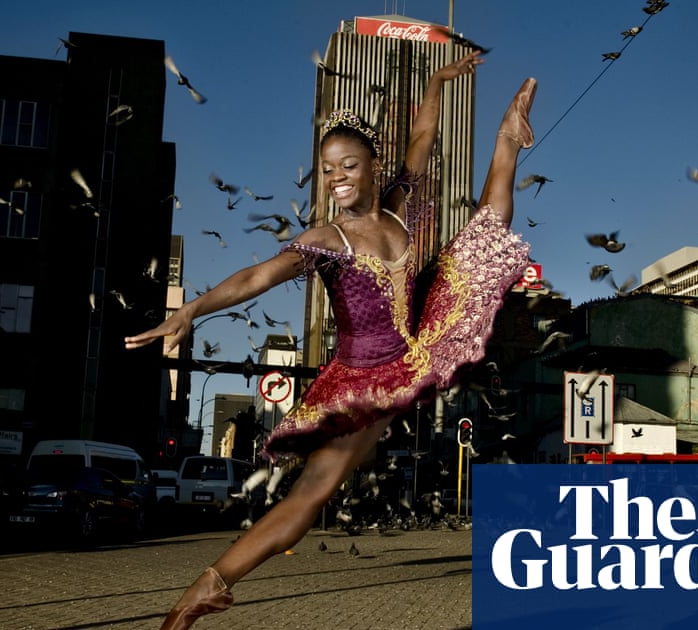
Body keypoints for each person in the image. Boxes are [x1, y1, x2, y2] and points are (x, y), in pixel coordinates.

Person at [125, 51, 537, 629]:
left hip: (417, 343)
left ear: (372, 166)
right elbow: (256, 276)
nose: (336, 177)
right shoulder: (328, 238)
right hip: (365, 379)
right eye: (326, 168)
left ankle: (506, 139)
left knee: (486, 233)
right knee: (312, 494)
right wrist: (193, 308)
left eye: (348, 165)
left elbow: (421, 137)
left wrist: (441, 82)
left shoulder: (398, 211)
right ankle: (208, 585)